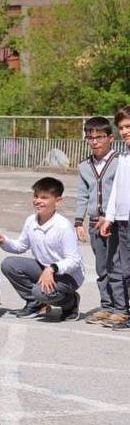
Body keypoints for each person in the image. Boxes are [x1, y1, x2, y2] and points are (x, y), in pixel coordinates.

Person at [0, 177, 83, 321]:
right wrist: (4, 241)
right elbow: (21, 246)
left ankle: (70, 303)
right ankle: (36, 305)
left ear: (58, 201)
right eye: (35, 196)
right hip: (44, 268)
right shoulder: (31, 221)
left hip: (68, 275)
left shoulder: (63, 226)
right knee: (9, 264)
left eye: (44, 197)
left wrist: (52, 269)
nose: (38, 201)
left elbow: (74, 260)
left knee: (39, 291)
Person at [75, 116, 122, 326]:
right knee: (102, 267)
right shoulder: (84, 166)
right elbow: (82, 195)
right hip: (95, 222)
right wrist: (78, 221)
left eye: (100, 137)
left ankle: (121, 307)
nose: (95, 142)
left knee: (118, 266)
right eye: (90, 137)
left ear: (110, 138)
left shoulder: (121, 162)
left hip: (116, 222)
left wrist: (111, 216)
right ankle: (106, 305)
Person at [95, 106, 130, 329]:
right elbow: (117, 189)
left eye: (128, 126)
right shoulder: (125, 156)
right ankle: (124, 311)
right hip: (124, 220)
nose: (125, 131)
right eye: (122, 128)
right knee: (125, 269)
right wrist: (109, 217)